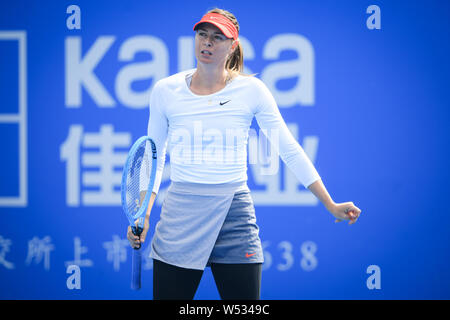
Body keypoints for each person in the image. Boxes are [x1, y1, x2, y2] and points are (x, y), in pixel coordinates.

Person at [127, 7, 362, 300]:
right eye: (202, 35)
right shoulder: (165, 91)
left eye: (217, 37)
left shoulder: (252, 91)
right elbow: (155, 155)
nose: (207, 43)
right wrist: (144, 212)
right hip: (180, 214)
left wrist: (329, 203)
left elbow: (287, 148)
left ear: (233, 46)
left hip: (234, 212)